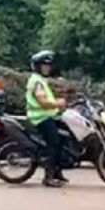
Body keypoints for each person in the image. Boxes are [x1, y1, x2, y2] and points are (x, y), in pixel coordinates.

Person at [25, 50, 67, 188]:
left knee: (63, 139)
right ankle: (48, 177)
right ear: (37, 66)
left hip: (48, 116)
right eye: (44, 65)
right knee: (53, 143)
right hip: (40, 118)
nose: (47, 68)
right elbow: (42, 102)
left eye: (48, 65)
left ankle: (57, 171)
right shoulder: (36, 82)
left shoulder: (40, 80)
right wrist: (57, 103)